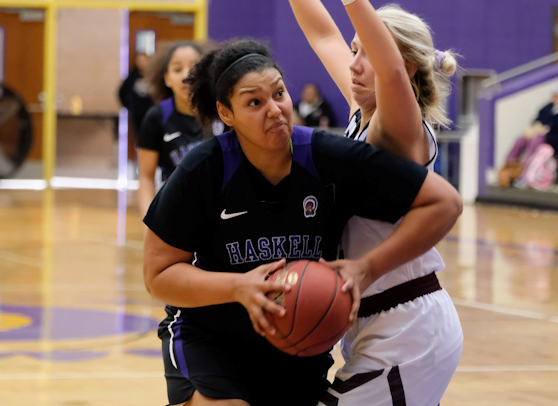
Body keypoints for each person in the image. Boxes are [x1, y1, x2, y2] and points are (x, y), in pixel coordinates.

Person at [142, 38, 462, 406]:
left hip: (298, 344)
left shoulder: (327, 156)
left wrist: (367, 267)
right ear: (226, 114)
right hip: (211, 339)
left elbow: (444, 202)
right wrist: (238, 288)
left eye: (279, 93)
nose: (275, 110)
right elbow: (157, 275)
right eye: (254, 102)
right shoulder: (203, 170)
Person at [289, 0, 463, 404]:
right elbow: (323, 34)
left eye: (368, 50)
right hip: (376, 323)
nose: (355, 63)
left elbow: (388, 70)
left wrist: (354, 3)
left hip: (408, 328)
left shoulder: (401, 129)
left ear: (407, 68)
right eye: (355, 50)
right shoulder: (358, 114)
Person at [137, 41, 226, 217]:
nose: (186, 75)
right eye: (177, 69)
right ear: (166, 78)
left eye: (194, 67)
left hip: (221, 209)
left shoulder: (223, 112)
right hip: (175, 210)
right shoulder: (156, 118)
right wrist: (149, 221)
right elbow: (146, 177)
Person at [119, 52, 154, 134]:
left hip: (151, 111)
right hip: (137, 113)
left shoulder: (153, 75)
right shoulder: (132, 76)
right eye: (140, 60)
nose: (142, 63)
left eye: (144, 60)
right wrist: (129, 106)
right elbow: (122, 92)